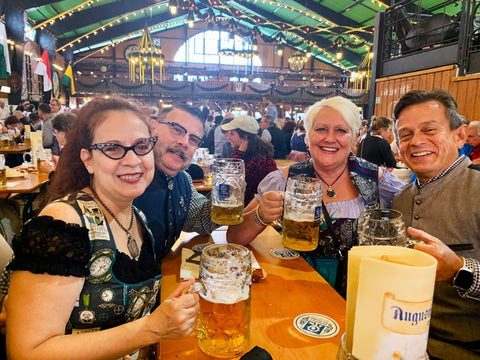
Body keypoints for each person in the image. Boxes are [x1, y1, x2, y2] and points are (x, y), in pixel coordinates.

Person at [5, 96, 199, 360]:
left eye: (141, 146)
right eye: (113, 148)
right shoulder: (65, 222)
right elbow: (27, 352)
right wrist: (152, 328)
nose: (133, 160)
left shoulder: (136, 216)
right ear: (88, 160)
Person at [227, 96, 405, 297]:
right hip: (297, 295)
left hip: (361, 298)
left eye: (341, 130)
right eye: (321, 129)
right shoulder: (282, 179)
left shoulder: (379, 181)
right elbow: (234, 237)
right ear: (306, 137)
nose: (330, 138)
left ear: (355, 138)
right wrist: (260, 215)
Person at [391, 89, 480, 359]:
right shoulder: (399, 201)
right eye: (406, 135)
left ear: (460, 135)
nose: (416, 142)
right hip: (396, 341)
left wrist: (460, 269)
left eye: (429, 130)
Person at [133, 104, 220, 261]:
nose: (185, 142)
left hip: (161, 277)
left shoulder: (182, 179)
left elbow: (200, 220)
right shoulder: (125, 174)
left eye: (193, 139)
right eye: (177, 130)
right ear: (153, 127)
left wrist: (224, 192)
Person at [221, 115, 277, 204]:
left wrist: (239, 153)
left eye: (232, 134)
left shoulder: (258, 161)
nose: (229, 138)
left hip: (251, 211)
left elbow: (229, 180)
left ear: (245, 136)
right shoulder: (257, 154)